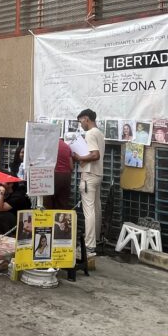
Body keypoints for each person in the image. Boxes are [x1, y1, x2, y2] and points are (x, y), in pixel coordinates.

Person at [73, 107, 105, 262]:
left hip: (89, 175)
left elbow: (95, 155)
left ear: (86, 118)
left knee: (89, 211)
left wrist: (79, 156)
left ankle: (90, 245)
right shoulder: (99, 132)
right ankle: (96, 240)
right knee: (96, 209)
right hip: (98, 175)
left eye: (81, 121)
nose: (81, 125)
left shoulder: (91, 133)